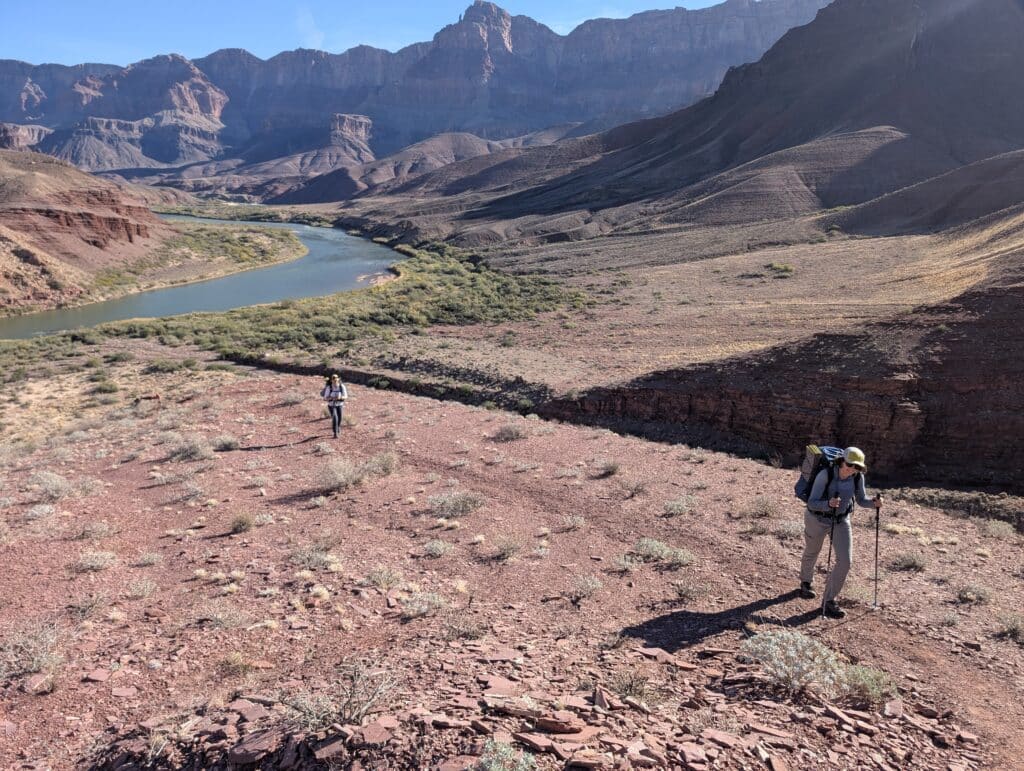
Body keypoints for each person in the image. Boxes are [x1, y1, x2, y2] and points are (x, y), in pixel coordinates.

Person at [798, 447, 882, 618]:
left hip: (841, 520)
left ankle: (829, 600)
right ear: (841, 461)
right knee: (813, 551)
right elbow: (812, 503)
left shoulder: (857, 477)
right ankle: (806, 582)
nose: (851, 469)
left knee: (845, 561)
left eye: (856, 467)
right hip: (817, 519)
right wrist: (828, 504)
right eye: (849, 465)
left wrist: (874, 503)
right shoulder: (825, 475)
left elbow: (861, 499)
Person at [321, 374, 348, 438]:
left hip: (340, 405)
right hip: (331, 405)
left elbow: (346, 396)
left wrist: (340, 398)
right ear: (332, 380)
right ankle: (335, 433)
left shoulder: (342, 386)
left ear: (338, 380)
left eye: (336, 380)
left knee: (340, 418)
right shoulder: (329, 387)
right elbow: (325, 398)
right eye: (334, 380)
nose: (335, 381)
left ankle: (338, 427)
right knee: (335, 417)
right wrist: (331, 398)